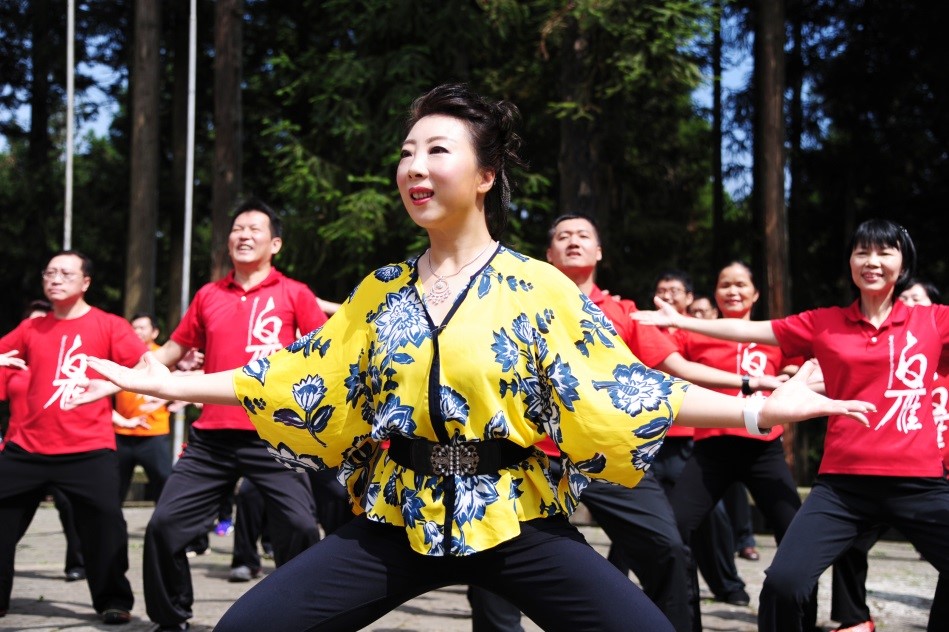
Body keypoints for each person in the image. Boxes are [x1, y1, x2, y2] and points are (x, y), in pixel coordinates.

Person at [85, 83, 872, 632]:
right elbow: (291, 377)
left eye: (437, 149)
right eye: (406, 152)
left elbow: (623, 391)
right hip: (393, 515)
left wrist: (757, 406)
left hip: (512, 514)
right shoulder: (380, 291)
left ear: (486, 175)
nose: (414, 167)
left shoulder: (536, 289)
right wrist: (164, 381)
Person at [634, 219, 949, 632]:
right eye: (862, 252)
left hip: (919, 483)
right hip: (843, 488)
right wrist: (679, 321)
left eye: (885, 252)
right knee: (783, 584)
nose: (872, 262)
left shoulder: (934, 321)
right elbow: (746, 329)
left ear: (903, 262)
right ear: (851, 262)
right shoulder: (825, 322)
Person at [75, 199, 327, 630]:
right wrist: (119, 381)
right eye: (236, 229)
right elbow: (170, 352)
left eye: (254, 229)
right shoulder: (209, 295)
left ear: (276, 243)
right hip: (211, 438)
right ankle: (172, 619)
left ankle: (298, 616)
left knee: (302, 527)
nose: (243, 236)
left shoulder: (295, 294)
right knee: (164, 527)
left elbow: (323, 353)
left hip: (274, 436)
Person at [0, 252, 145, 624]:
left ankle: (113, 600)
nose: (55, 278)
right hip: (25, 447)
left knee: (106, 526)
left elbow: (143, 367)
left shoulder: (109, 325)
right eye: (50, 272)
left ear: (86, 283)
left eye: (66, 272)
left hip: (88, 450)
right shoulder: (30, 329)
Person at [829, 278, 947, 632]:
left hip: (935, 481)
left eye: (916, 301)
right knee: (848, 542)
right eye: (903, 300)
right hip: (887, 473)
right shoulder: (890, 364)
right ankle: (854, 618)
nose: (906, 307)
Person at [0, 300, 86, 583]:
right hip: (20, 450)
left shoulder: (66, 369)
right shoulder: (12, 368)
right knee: (9, 520)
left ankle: (78, 564)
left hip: (65, 450)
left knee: (72, 511)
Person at [689, 291, 760, 563]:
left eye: (702, 312)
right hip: (706, 434)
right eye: (692, 312)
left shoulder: (759, 336)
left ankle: (745, 542)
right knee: (690, 516)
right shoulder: (696, 341)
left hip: (754, 434)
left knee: (737, 495)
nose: (697, 316)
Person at [113, 313, 177, 503]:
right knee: (113, 486)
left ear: (155, 332)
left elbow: (180, 383)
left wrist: (162, 400)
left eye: (142, 328)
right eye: (134, 328)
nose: (137, 332)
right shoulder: (121, 355)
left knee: (165, 482)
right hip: (122, 432)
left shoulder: (165, 355)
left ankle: (166, 527)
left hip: (154, 432)